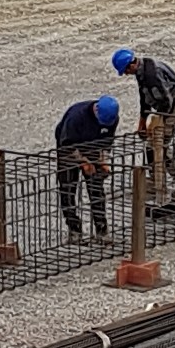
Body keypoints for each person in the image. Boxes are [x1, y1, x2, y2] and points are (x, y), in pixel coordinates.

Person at [114, 48, 175, 215]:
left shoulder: (151, 75)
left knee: (158, 147)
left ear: (131, 64)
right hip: (167, 107)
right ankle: (159, 181)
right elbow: (144, 97)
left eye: (126, 70)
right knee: (152, 147)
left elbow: (166, 102)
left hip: (174, 108)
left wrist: (156, 124)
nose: (125, 74)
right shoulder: (142, 69)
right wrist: (142, 121)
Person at [52, 92, 120, 241]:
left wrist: (103, 160)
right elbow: (66, 144)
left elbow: (107, 142)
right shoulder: (76, 118)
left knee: (96, 188)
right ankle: (74, 228)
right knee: (68, 188)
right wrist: (83, 162)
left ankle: (101, 229)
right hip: (69, 148)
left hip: (93, 147)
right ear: (96, 111)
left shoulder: (111, 119)